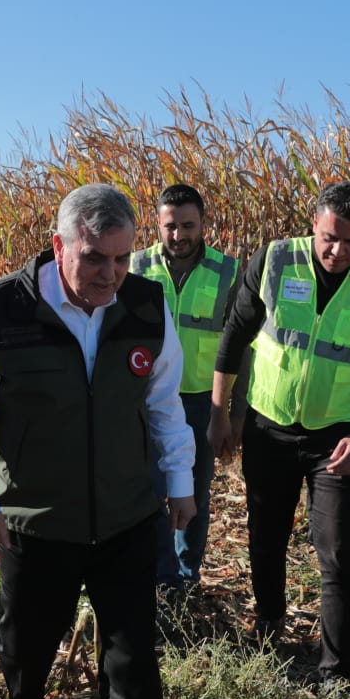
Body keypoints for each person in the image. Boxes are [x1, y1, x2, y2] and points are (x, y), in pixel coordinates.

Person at [0, 183, 196, 699]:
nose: (111, 274)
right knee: (27, 646)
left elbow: (164, 405)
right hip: (36, 522)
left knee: (132, 654)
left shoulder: (146, 306)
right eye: (95, 258)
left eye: (122, 258)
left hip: (126, 515)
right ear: (59, 246)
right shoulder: (3, 309)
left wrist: (179, 483)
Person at [209, 181, 350, 682]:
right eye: (330, 238)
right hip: (269, 430)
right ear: (314, 224)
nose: (339, 252)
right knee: (265, 537)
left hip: (335, 440)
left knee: (336, 551)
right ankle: (269, 627)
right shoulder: (274, 261)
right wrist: (220, 412)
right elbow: (235, 334)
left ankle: (336, 668)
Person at [129, 183, 240, 590]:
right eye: (170, 227)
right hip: (144, 401)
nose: (179, 236)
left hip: (199, 401)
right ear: (157, 225)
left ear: (203, 224)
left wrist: (228, 412)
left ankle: (187, 574)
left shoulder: (229, 271)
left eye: (187, 226)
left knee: (193, 494)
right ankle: (161, 575)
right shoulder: (135, 267)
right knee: (149, 492)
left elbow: (240, 349)